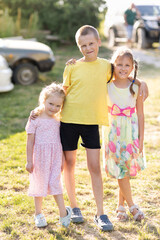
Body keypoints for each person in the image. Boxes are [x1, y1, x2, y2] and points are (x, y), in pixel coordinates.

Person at [30, 25, 148, 231]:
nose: (88, 48)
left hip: (92, 123)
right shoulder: (72, 67)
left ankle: (100, 213)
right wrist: (41, 109)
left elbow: (123, 72)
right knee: (69, 164)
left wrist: (140, 81)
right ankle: (74, 207)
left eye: (91, 43)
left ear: (99, 43)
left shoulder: (106, 67)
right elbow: (60, 94)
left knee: (94, 167)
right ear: (79, 47)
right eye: (83, 45)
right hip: (69, 121)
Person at [102, 47, 146, 222]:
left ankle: (121, 207)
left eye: (127, 65)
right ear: (113, 65)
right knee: (120, 169)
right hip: (113, 134)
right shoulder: (106, 86)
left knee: (124, 169)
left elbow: (141, 114)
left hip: (131, 133)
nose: (123, 68)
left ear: (132, 67)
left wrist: (141, 139)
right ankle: (132, 206)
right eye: (119, 64)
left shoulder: (135, 86)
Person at [25, 83, 72, 228]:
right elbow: (30, 140)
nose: (54, 108)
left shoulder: (59, 119)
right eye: (51, 104)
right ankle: (38, 214)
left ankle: (63, 213)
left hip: (55, 156)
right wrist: (29, 161)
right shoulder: (35, 117)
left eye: (58, 105)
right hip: (39, 157)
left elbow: (60, 142)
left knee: (55, 183)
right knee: (39, 184)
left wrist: (63, 159)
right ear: (43, 100)